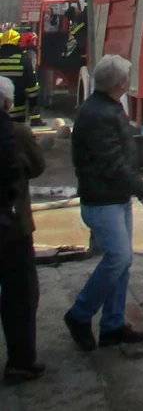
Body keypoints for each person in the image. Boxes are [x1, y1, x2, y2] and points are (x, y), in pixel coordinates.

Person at [64, 55, 143, 351]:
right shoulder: (99, 114)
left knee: (122, 261)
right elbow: (113, 162)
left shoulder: (105, 107)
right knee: (119, 258)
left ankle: (113, 325)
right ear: (120, 82)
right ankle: (80, 314)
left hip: (112, 197)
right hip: (102, 200)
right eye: (127, 76)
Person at [0, 76, 46, 383]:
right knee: (20, 294)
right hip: (12, 226)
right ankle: (20, 361)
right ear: (7, 102)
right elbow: (38, 165)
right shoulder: (17, 132)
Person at [0, 29, 40, 125]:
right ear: (18, 42)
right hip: (17, 114)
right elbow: (32, 90)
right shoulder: (24, 60)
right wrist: (35, 116)